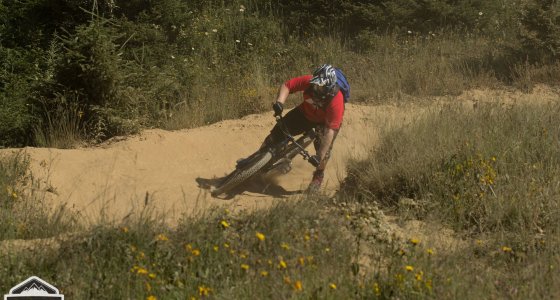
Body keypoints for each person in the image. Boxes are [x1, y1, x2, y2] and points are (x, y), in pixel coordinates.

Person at [261, 64, 345, 192]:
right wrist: (279, 102)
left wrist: (319, 157)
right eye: (316, 84)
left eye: (321, 87)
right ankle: (257, 157)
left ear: (329, 87)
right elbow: (287, 86)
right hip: (305, 113)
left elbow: (330, 131)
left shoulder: (336, 100)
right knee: (278, 131)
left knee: (324, 152)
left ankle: (318, 176)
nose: (316, 88)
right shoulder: (309, 81)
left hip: (325, 124)